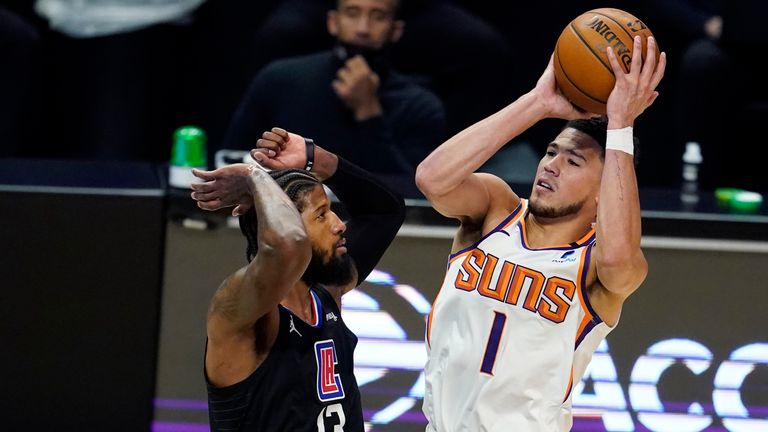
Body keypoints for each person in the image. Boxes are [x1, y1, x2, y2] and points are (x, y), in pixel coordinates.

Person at [415, 35, 666, 431]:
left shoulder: (595, 267)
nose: (551, 166)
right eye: (551, 153)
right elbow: (432, 180)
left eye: (573, 161)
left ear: (604, 191)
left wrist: (621, 125)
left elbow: (620, 257)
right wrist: (538, 102)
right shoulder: (497, 209)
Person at [191, 127, 405, 431]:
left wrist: (314, 158)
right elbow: (287, 246)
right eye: (321, 215)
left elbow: (384, 212)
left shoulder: (326, 291)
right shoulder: (243, 309)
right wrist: (255, 177)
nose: (339, 224)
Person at [221, 0, 446, 176]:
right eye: (352, 13)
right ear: (333, 22)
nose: (363, 28)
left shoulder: (420, 105)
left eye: (378, 17)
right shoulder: (280, 78)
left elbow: (412, 194)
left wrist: (369, 114)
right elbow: (231, 158)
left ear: (395, 30)